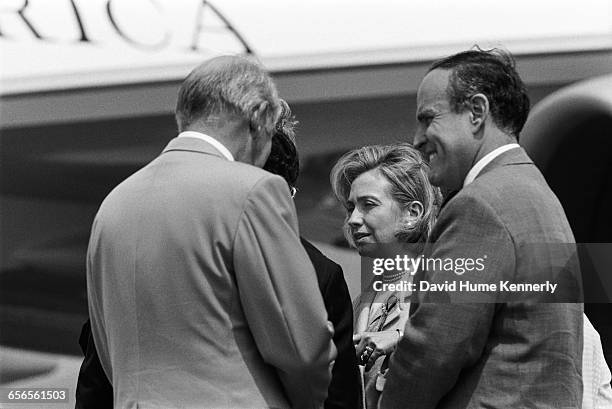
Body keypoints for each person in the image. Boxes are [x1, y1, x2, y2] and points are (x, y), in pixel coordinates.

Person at [84, 55, 335, 409]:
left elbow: (107, 345)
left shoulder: (114, 203)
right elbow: (301, 345)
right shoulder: (254, 189)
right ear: (261, 116)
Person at [380, 48, 584, 408]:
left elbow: (436, 347)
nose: (417, 138)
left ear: (476, 112)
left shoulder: (480, 206)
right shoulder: (537, 194)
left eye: (428, 119)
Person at [329, 143, 440, 409]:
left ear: (412, 214)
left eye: (368, 205)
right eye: (350, 207)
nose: (353, 219)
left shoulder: (442, 280)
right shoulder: (361, 301)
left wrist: (401, 338)